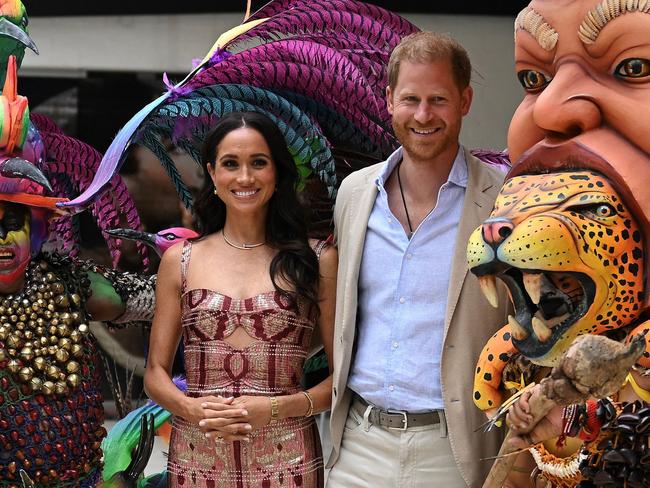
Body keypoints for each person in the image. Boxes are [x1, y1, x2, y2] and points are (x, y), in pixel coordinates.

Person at [326, 32, 510, 487]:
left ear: (465, 101)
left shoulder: (505, 199)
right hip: (357, 445)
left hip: (455, 449)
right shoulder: (354, 194)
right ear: (389, 100)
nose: (423, 115)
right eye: (410, 99)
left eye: (438, 99)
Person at [144, 111, 337, 487]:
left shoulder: (317, 260)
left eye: (259, 163)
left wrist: (275, 408)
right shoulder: (180, 261)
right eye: (231, 164)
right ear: (212, 173)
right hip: (198, 456)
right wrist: (189, 407)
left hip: (287, 458)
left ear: (277, 173)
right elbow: (155, 374)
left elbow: (342, 378)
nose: (245, 177)